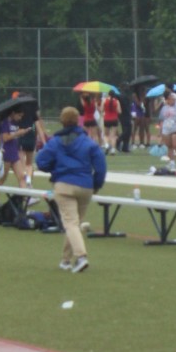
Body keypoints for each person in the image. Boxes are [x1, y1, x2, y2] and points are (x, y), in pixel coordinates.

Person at [36, 107, 106, 273]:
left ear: (62, 121)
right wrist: (96, 184)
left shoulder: (55, 142)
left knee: (70, 223)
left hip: (64, 185)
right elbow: (101, 166)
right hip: (85, 185)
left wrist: (54, 169)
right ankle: (65, 260)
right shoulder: (88, 141)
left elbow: (41, 161)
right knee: (75, 224)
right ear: (77, 121)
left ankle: (81, 257)